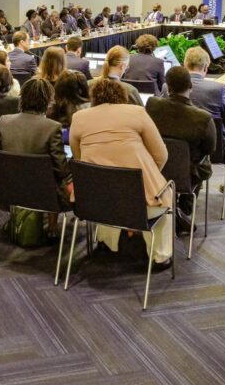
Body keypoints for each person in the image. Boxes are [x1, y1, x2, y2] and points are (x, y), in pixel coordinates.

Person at [69, 78, 173, 269]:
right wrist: (146, 177)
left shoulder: (79, 117)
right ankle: (160, 256)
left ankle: (107, 242)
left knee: (104, 183)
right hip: (140, 204)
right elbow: (161, 155)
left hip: (94, 203)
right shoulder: (137, 112)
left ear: (93, 98)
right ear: (123, 96)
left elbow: (79, 160)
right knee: (164, 195)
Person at [0, 78, 71, 212]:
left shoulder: (4, 121)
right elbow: (61, 170)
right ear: (48, 101)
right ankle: (51, 224)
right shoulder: (52, 127)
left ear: (22, 98)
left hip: (8, 190)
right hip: (43, 194)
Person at [184, 47, 225, 199]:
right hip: (213, 150)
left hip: (179, 149)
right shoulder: (218, 89)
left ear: (184, 64)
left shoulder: (168, 86)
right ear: (206, 68)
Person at [146, 65, 217, 179]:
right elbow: (210, 149)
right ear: (191, 86)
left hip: (156, 169)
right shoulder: (204, 118)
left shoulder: (152, 105)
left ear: (168, 88)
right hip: (189, 173)